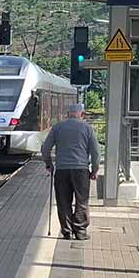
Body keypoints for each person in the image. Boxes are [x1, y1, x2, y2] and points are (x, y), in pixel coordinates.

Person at [41, 102, 98, 240]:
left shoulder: (58, 127)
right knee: (81, 201)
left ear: (68, 115)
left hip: (61, 170)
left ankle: (66, 231)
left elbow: (45, 149)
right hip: (81, 170)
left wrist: (49, 164)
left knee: (63, 201)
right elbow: (96, 152)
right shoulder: (88, 128)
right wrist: (94, 169)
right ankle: (80, 232)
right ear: (82, 114)